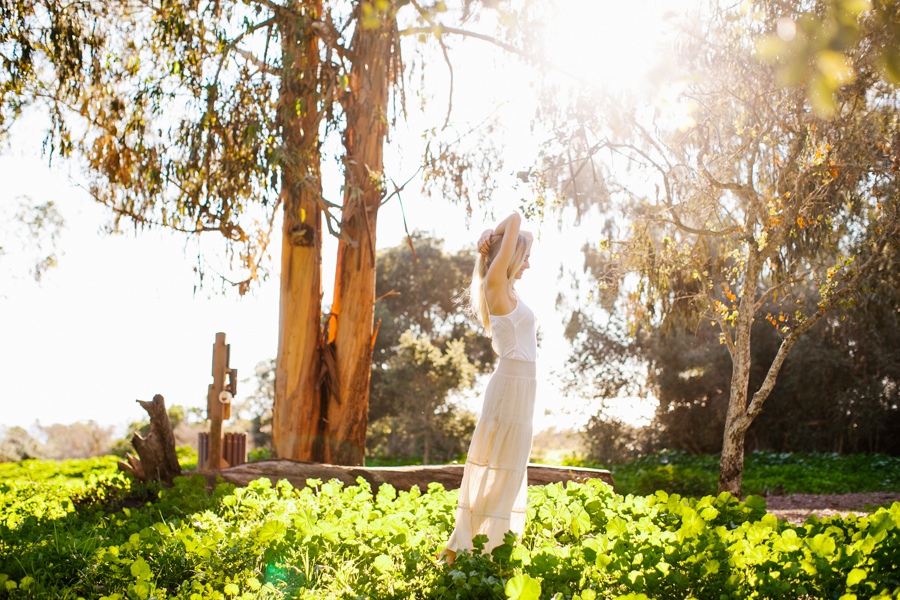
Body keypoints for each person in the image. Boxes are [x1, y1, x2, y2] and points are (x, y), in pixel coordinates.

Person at [441, 211, 536, 565]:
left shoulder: (507, 287)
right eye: (523, 257)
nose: (528, 263)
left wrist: (491, 240)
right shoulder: (495, 283)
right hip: (510, 384)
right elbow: (516, 218)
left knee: (510, 470)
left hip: (524, 385)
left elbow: (522, 231)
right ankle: (458, 548)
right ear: (508, 258)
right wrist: (489, 234)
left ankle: (488, 548)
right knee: (496, 466)